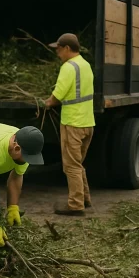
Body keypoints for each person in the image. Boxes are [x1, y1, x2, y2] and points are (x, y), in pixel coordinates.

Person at [45, 33, 95, 216]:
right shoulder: (86, 65)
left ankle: (75, 205)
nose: (57, 54)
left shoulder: (68, 67)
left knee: (71, 166)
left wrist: (47, 102)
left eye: (58, 49)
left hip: (73, 123)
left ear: (67, 48)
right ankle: (85, 198)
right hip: (87, 123)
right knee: (78, 163)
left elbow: (58, 95)